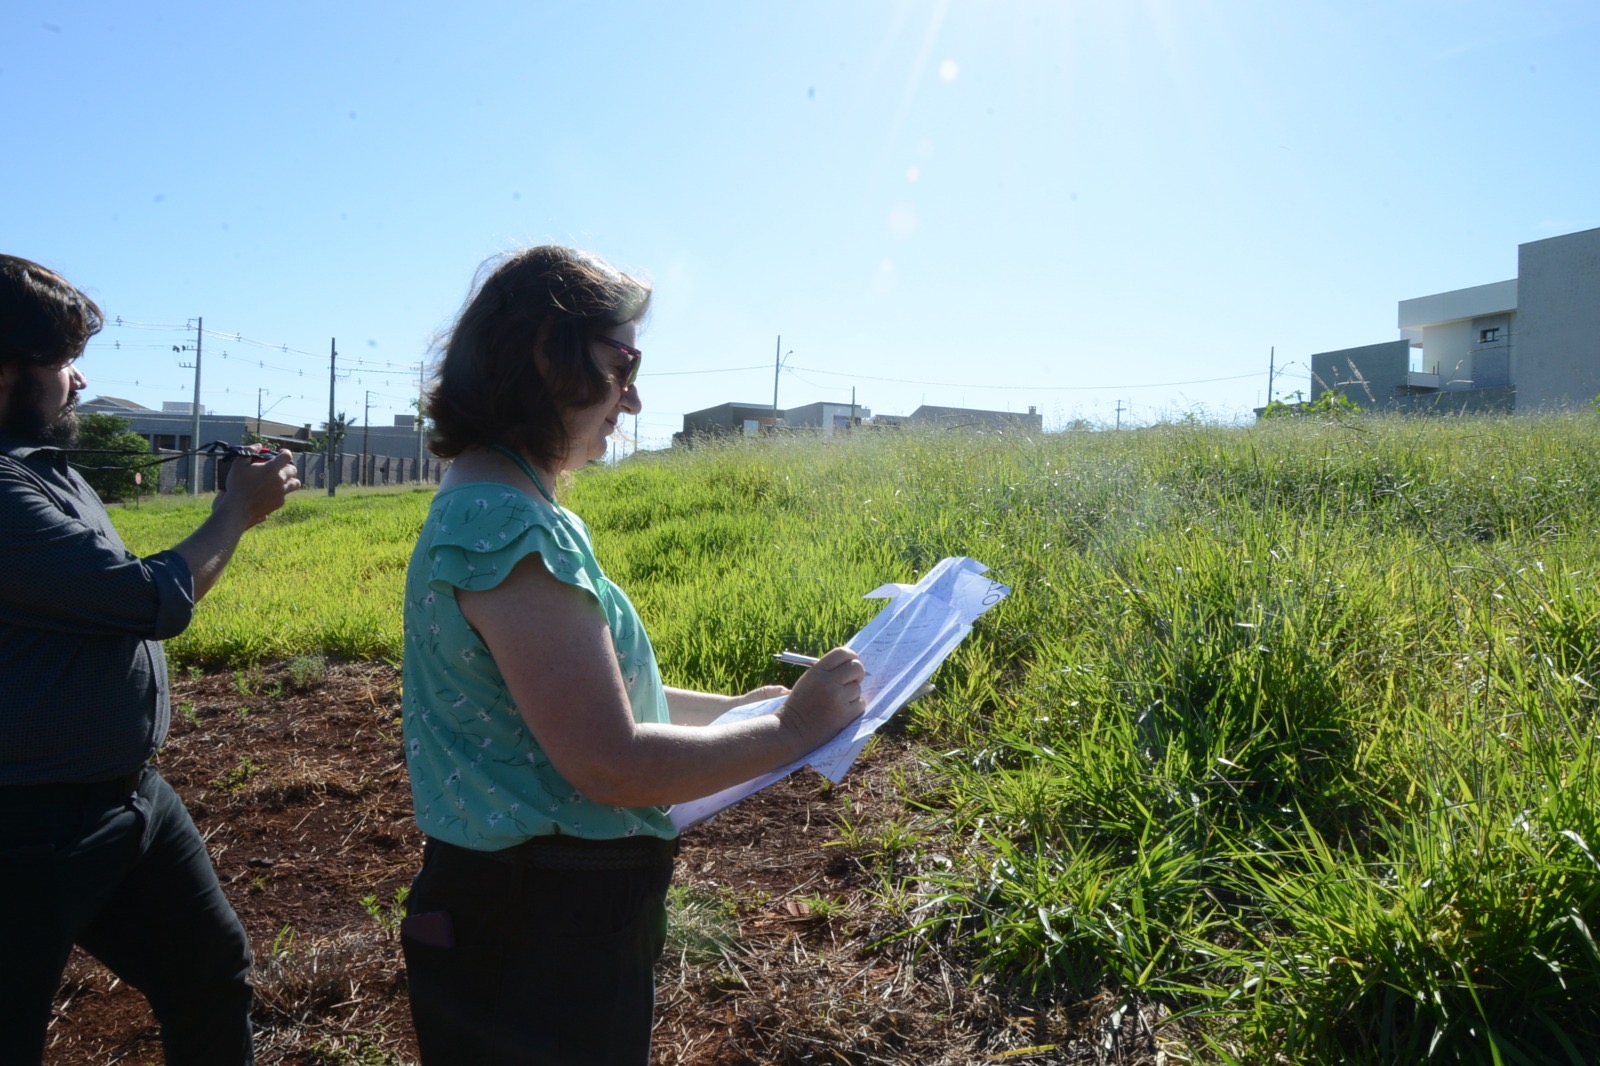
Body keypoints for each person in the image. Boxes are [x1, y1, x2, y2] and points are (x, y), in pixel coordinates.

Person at [399, 245, 866, 1065]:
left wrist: (732, 714)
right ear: (548, 354)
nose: (635, 398)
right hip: (544, 924)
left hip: (534, 910)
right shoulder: (506, 527)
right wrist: (791, 729)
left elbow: (586, 693)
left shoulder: (501, 506)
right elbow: (609, 764)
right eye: (624, 364)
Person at [0, 254, 301, 1066]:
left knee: (208, 973)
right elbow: (145, 601)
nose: (79, 383)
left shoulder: (37, 470)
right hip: (26, 827)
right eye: (64, 362)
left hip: (129, 801)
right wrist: (235, 513)